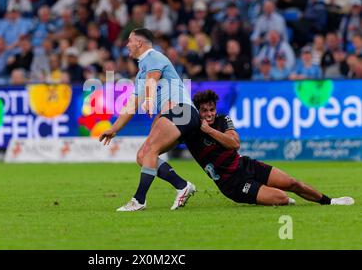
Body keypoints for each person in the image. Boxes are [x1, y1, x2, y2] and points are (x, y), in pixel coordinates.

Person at [183, 89, 355, 206]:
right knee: (282, 198)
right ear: (198, 111)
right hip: (233, 184)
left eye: (211, 109)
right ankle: (272, 196)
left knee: (291, 182)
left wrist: (210, 130)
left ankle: (330, 201)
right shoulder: (193, 134)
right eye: (204, 111)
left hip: (246, 166)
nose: (209, 114)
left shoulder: (222, 120)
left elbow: (235, 143)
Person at [99, 28, 200, 211]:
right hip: (176, 116)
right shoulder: (141, 72)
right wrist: (114, 129)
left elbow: (152, 80)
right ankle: (182, 186)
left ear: (139, 43)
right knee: (143, 156)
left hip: (180, 111)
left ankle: (139, 200)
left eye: (130, 40)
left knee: (151, 150)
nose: (127, 44)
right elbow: (131, 105)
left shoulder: (153, 57)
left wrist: (149, 100)